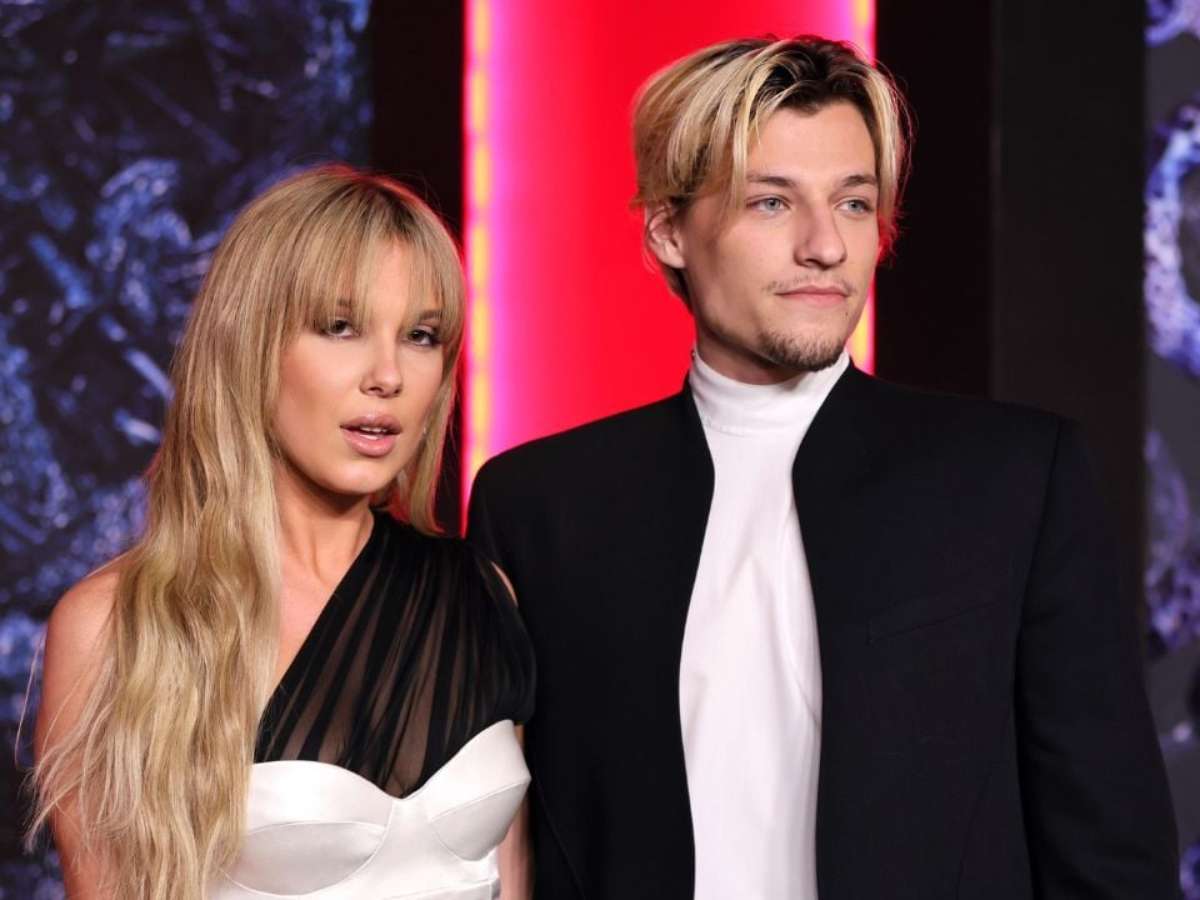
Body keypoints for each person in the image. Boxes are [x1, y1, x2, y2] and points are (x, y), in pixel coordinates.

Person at [467, 36, 1179, 899]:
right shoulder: (541, 506)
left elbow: (1109, 849)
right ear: (668, 230)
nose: (826, 245)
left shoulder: (1013, 481)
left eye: (853, 202)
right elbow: (504, 844)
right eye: (772, 202)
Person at [31, 166, 534, 900]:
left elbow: (509, 877)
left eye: (421, 336)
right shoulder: (119, 625)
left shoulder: (483, 595)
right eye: (340, 327)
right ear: (250, 347)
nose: (388, 375)